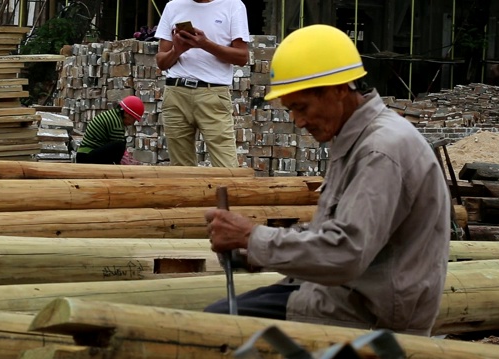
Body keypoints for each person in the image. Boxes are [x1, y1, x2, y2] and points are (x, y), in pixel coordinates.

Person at [204, 25, 451, 336]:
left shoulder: (380, 150)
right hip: (338, 294)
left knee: (216, 331)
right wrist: (249, 251)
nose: (298, 121)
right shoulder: (355, 138)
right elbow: (332, 233)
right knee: (217, 319)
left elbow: (345, 252)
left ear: (338, 90)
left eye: (302, 107)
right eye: (291, 109)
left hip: (367, 315)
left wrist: (254, 238)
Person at [154, 0, 250, 167]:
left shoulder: (233, 5)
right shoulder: (173, 6)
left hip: (212, 93)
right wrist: (177, 50)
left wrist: (204, 44)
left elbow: (242, 57)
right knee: (181, 170)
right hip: (176, 92)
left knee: (226, 168)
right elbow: (161, 62)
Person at [76, 95, 144, 164]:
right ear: (126, 113)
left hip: (85, 154)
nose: (133, 123)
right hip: (86, 157)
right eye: (134, 119)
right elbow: (118, 152)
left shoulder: (113, 115)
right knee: (119, 146)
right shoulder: (116, 123)